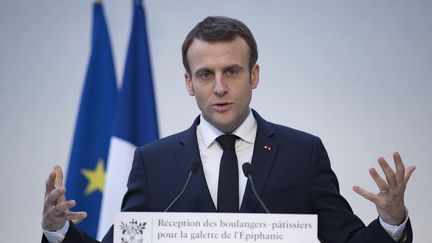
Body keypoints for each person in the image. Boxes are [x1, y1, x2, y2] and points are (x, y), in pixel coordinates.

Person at [42, 16, 415, 243]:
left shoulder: (303, 153)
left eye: (232, 71)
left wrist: (391, 221)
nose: (219, 87)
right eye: (206, 74)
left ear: (254, 75)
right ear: (189, 83)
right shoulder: (153, 163)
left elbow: (347, 241)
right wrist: (58, 231)